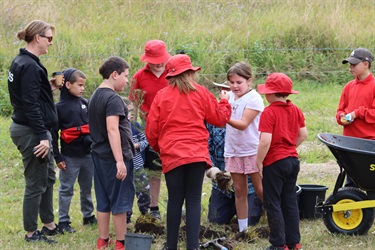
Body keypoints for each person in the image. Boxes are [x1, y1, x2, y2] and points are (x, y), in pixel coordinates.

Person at [145, 54, 231, 250]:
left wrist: (162, 149)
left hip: (172, 154)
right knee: (193, 199)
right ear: (191, 72)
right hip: (196, 153)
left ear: (171, 75)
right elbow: (219, 119)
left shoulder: (162, 96)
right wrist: (224, 102)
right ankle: (192, 246)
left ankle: (171, 246)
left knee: (175, 200)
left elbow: (151, 130)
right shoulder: (201, 93)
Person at [8, 20, 62, 244]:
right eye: (49, 38)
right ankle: (31, 233)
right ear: (37, 38)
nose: (51, 42)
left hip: (31, 128)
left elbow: (26, 94)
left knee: (47, 177)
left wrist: (46, 86)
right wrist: (42, 135)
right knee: (35, 183)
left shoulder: (23, 61)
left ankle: (49, 224)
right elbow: (29, 104)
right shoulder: (29, 65)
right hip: (31, 131)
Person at [256, 73, 308, 250]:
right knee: (289, 201)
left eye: (267, 92)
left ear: (272, 93)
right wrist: (289, 148)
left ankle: (278, 244)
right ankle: (294, 242)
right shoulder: (295, 110)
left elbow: (265, 141)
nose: (265, 95)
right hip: (292, 161)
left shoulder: (269, 112)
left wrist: (259, 161)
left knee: (272, 202)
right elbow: (303, 134)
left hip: (275, 163)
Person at [88, 56, 135, 250]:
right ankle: (121, 243)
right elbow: (112, 129)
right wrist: (120, 161)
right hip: (113, 157)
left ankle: (103, 240)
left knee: (103, 199)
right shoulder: (113, 98)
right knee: (119, 201)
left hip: (98, 156)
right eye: (125, 76)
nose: (127, 81)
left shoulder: (94, 96)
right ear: (114, 74)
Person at [207, 82, 263, 226]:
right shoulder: (211, 119)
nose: (227, 93)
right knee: (216, 221)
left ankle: (261, 208)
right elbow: (204, 148)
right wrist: (212, 170)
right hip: (223, 184)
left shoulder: (251, 111)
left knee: (251, 220)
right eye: (224, 90)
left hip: (249, 184)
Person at [129, 39, 171, 220]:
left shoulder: (173, 73)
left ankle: (176, 204)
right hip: (149, 128)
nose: (159, 64)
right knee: (153, 168)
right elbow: (134, 104)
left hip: (171, 126)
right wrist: (131, 125)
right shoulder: (139, 77)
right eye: (154, 61)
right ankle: (153, 207)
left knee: (172, 168)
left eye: (161, 59)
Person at [51, 68, 97, 234]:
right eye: (79, 85)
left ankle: (88, 215)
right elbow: (53, 134)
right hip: (69, 157)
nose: (82, 88)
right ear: (68, 84)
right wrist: (58, 156)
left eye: (83, 85)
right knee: (66, 189)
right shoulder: (58, 108)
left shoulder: (85, 103)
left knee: (86, 187)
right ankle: (63, 221)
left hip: (88, 155)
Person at [220, 62, 264, 233]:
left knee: (260, 189)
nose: (235, 86)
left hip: (252, 149)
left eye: (239, 82)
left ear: (249, 81)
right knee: (239, 190)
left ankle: (276, 221)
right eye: (231, 82)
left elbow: (244, 123)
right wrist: (224, 103)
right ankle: (243, 229)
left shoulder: (254, 98)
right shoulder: (230, 97)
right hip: (233, 150)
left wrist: (223, 112)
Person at [336, 48, 375, 187]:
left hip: (368, 142)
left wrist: (358, 113)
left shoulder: (374, 86)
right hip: (349, 142)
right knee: (351, 180)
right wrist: (341, 117)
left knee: (369, 181)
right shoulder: (348, 87)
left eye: (354, 64)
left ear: (366, 64)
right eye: (349, 64)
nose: (350, 67)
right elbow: (340, 110)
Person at [122, 98, 151, 224]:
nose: (130, 115)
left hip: (138, 165)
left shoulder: (135, 126)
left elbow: (146, 141)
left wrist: (136, 146)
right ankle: (126, 218)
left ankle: (145, 214)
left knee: (144, 190)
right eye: (127, 112)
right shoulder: (117, 128)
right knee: (125, 193)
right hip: (123, 167)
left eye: (130, 112)